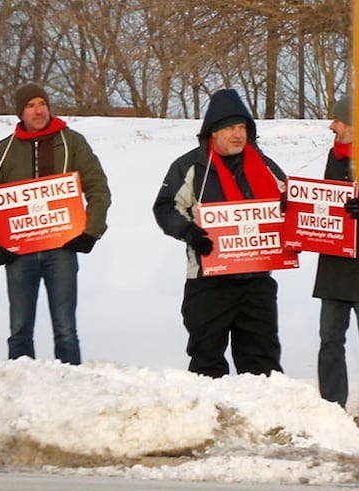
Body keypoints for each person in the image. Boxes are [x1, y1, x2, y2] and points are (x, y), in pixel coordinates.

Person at [0, 83, 111, 364]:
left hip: (62, 248)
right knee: (20, 329)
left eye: (42, 103)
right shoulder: (4, 150)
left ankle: (71, 385)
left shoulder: (72, 142)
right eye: (31, 105)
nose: (38, 110)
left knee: (66, 329)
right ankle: (21, 385)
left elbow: (98, 189)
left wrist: (90, 232)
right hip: (18, 252)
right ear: (20, 113)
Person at [151, 88, 286, 377]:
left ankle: (264, 418)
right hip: (208, 280)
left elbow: (292, 202)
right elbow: (165, 207)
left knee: (263, 364)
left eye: (241, 127)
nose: (237, 134)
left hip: (256, 280)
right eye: (229, 128)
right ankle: (210, 419)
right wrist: (189, 232)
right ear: (212, 132)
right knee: (207, 361)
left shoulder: (264, 166)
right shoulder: (191, 166)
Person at [313, 94, 359, 406]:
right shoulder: (336, 156)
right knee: (330, 338)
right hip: (335, 265)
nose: (333, 125)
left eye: (339, 120)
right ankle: (331, 405)